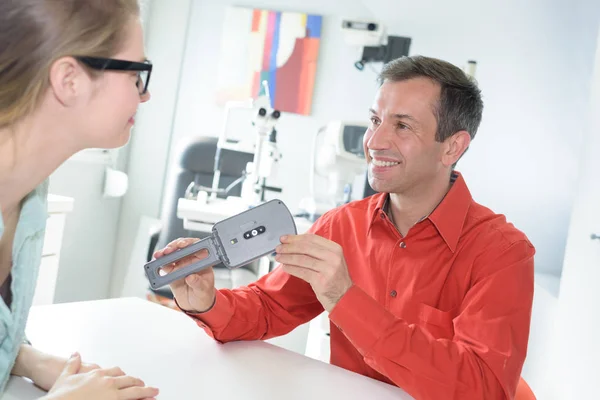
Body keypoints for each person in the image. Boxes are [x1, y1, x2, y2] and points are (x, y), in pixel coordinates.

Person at [155, 55, 535, 399]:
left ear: (452, 148)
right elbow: (268, 307)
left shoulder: (503, 254)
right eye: (375, 120)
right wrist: (206, 300)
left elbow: (481, 388)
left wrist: (344, 299)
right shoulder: (342, 224)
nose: (374, 142)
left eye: (402, 126)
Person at [0, 0, 159, 398]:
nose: (145, 95)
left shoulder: (29, 196)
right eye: (136, 73)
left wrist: (27, 358)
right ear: (69, 79)